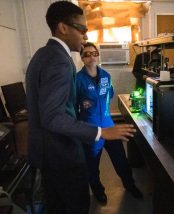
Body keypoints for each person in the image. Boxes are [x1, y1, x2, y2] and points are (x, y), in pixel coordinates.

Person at [25, 2, 135, 213]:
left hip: (48, 154)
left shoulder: (42, 54)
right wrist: (101, 132)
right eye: (82, 29)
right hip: (61, 154)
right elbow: (54, 117)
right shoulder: (61, 62)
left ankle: (129, 183)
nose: (85, 37)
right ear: (63, 27)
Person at [76, 42, 143, 204]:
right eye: (87, 54)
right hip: (91, 130)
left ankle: (130, 185)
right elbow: (72, 105)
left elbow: (109, 94)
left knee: (121, 159)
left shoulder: (106, 75)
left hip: (108, 125)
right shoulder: (77, 79)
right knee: (92, 165)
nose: (91, 56)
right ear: (82, 58)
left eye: (94, 53)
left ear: (98, 55)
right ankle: (98, 191)